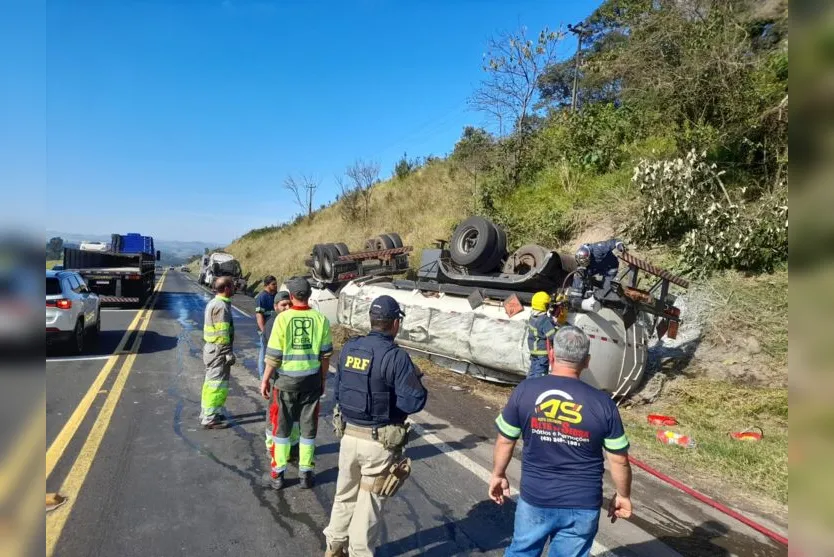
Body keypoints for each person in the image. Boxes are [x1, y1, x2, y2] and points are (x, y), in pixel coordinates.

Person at [490, 325, 633, 557]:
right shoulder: (604, 404)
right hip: (583, 503)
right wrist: (623, 495)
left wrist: (498, 475)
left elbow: (506, 441)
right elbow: (619, 460)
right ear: (587, 361)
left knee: (522, 552)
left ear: (552, 354)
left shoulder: (525, 391)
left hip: (536, 498)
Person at [323, 295, 428, 557]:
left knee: (344, 495)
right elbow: (413, 402)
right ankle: (359, 553)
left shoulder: (349, 348)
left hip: (348, 436)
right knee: (368, 505)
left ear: (372, 320)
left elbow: (339, 391)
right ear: (395, 323)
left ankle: (334, 547)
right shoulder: (397, 357)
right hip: (378, 444)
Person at [261, 276, 332, 490]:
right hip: (311, 383)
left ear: (291, 297)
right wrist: (322, 380)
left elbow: (273, 356)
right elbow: (325, 356)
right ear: (309, 295)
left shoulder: (282, 319)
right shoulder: (321, 320)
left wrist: (265, 380)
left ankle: (278, 474)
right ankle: (305, 474)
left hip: (284, 384)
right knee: (308, 430)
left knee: (281, 429)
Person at [262, 291, 301, 479]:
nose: (286, 308)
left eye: (288, 304)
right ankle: (272, 446)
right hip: (278, 378)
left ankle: (292, 446)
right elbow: (274, 355)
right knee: (275, 414)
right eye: (282, 305)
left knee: (293, 415)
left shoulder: (291, 320)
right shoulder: (273, 324)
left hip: (291, 378)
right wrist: (267, 379)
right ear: (275, 307)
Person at [200, 276, 236, 429]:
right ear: (226, 288)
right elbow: (222, 333)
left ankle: (210, 412)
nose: (234, 288)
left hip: (212, 349)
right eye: (232, 286)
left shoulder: (214, 303)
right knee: (216, 384)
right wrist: (228, 353)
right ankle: (209, 418)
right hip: (218, 351)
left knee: (211, 383)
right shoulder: (221, 306)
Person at [527, 291, 557, 379]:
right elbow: (552, 336)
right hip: (542, 353)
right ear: (545, 306)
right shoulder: (544, 320)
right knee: (540, 374)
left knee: (533, 371)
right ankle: (537, 389)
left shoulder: (532, 317)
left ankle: (528, 387)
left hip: (534, 352)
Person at [255, 275, 279, 380]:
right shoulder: (262, 297)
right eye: (273, 284)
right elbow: (259, 315)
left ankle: (273, 374)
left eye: (276, 283)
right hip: (265, 330)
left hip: (275, 330)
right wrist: (263, 330)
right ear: (267, 285)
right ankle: (262, 375)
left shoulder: (276, 296)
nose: (275, 286)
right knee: (264, 351)